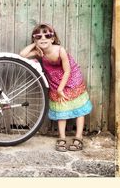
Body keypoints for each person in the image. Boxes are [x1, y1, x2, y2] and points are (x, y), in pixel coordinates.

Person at [19, 23, 92, 152]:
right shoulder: (39, 52)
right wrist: (34, 44)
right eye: (38, 36)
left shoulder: (60, 50)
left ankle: (79, 136)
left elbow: (67, 70)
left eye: (47, 35)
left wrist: (60, 89)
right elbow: (22, 54)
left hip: (70, 77)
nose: (43, 38)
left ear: (52, 39)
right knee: (61, 109)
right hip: (55, 80)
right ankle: (62, 137)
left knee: (78, 107)